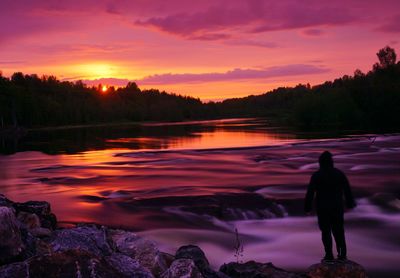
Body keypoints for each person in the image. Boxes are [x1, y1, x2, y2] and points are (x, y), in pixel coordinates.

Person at [304, 151, 356, 261]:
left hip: (322, 208)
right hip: (337, 207)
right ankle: (342, 255)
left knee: (326, 232)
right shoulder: (339, 174)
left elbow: (310, 193)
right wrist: (350, 204)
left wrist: (307, 208)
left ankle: (329, 255)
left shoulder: (316, 175)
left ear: (320, 163)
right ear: (332, 162)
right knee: (339, 231)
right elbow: (347, 190)